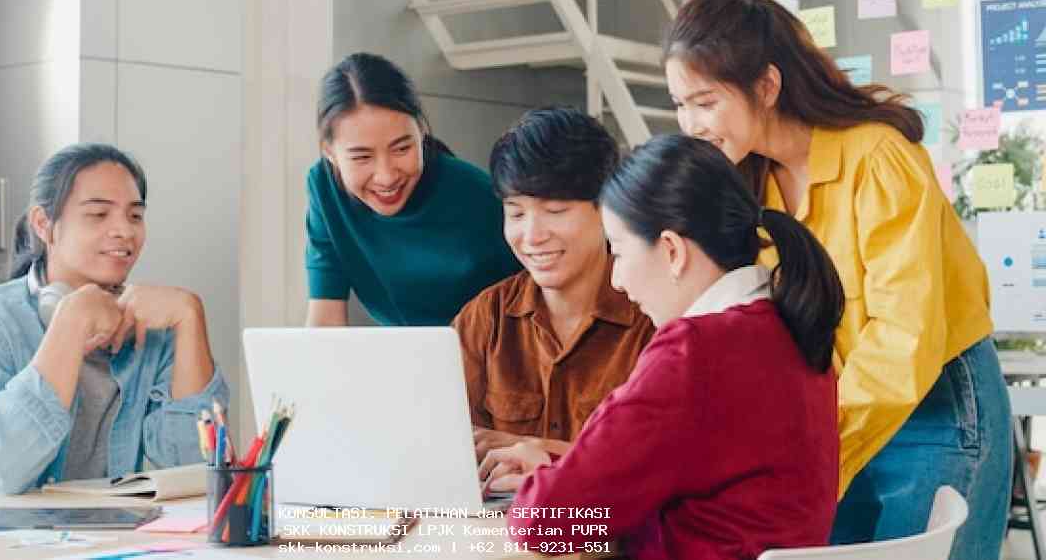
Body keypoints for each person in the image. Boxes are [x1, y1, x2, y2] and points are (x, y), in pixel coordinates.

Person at [663, 0, 1011, 558]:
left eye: (705, 102)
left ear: (767, 86)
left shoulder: (876, 156)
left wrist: (818, 444)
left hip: (937, 406)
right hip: (842, 410)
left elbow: (906, 334)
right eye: (680, 105)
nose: (691, 124)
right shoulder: (754, 184)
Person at [479, 135, 844, 559]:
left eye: (619, 252)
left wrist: (540, 483)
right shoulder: (787, 324)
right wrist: (556, 471)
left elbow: (544, 523)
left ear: (671, 250)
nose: (617, 279)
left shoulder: (695, 351)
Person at [0, 143, 229, 496]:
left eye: (135, 215)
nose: (124, 231)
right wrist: (69, 324)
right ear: (44, 225)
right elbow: (2, 469)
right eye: (99, 214)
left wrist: (189, 317)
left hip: (102, 538)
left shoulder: (153, 328)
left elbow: (198, 470)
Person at [453, 107, 653, 460]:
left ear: (607, 209)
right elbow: (436, 437)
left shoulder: (653, 317)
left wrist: (550, 457)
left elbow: (667, 465)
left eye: (556, 211)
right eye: (516, 213)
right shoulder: (485, 318)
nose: (532, 236)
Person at [305, 52, 521, 326]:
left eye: (402, 148)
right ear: (329, 152)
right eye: (362, 157)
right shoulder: (325, 190)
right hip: (404, 359)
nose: (385, 177)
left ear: (421, 130)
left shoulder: (481, 195)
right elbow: (325, 323)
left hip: (488, 357)